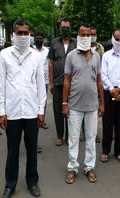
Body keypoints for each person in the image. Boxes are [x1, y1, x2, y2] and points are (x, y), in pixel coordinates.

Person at [0, 19, 47, 198]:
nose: (24, 36)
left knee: (32, 149)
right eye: (20, 33)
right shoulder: (5, 55)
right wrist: (2, 111)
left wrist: (41, 110)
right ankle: (10, 184)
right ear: (13, 34)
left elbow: (41, 85)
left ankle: (32, 182)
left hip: (32, 111)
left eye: (27, 33)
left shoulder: (36, 56)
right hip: (13, 112)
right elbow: (0, 84)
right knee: (13, 151)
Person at [62, 24, 104, 184]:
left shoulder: (96, 56)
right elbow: (67, 80)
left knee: (91, 138)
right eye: (83, 34)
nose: (86, 37)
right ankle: (72, 168)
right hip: (74, 105)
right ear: (78, 36)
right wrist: (64, 103)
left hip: (92, 106)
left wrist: (102, 103)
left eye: (89, 35)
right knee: (73, 139)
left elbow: (99, 81)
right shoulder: (71, 56)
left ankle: (89, 167)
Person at [100, 29, 120, 163]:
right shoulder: (106, 56)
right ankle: (105, 150)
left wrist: (119, 89)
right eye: (116, 39)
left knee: (119, 123)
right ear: (112, 39)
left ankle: (118, 150)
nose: (119, 41)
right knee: (107, 123)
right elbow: (103, 75)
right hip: (109, 92)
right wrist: (112, 89)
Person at [48, 18, 77, 146]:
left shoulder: (76, 43)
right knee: (58, 110)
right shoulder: (54, 43)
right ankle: (60, 135)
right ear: (60, 29)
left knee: (71, 110)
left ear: (70, 28)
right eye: (63, 27)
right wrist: (51, 83)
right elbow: (51, 63)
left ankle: (70, 136)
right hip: (58, 82)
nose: (65, 29)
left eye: (67, 27)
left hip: (73, 84)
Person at [34, 32, 50, 154]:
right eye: (37, 38)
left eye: (40, 38)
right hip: (33, 83)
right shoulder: (31, 51)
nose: (39, 40)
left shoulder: (47, 51)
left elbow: (50, 65)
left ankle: (41, 119)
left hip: (44, 81)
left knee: (42, 103)